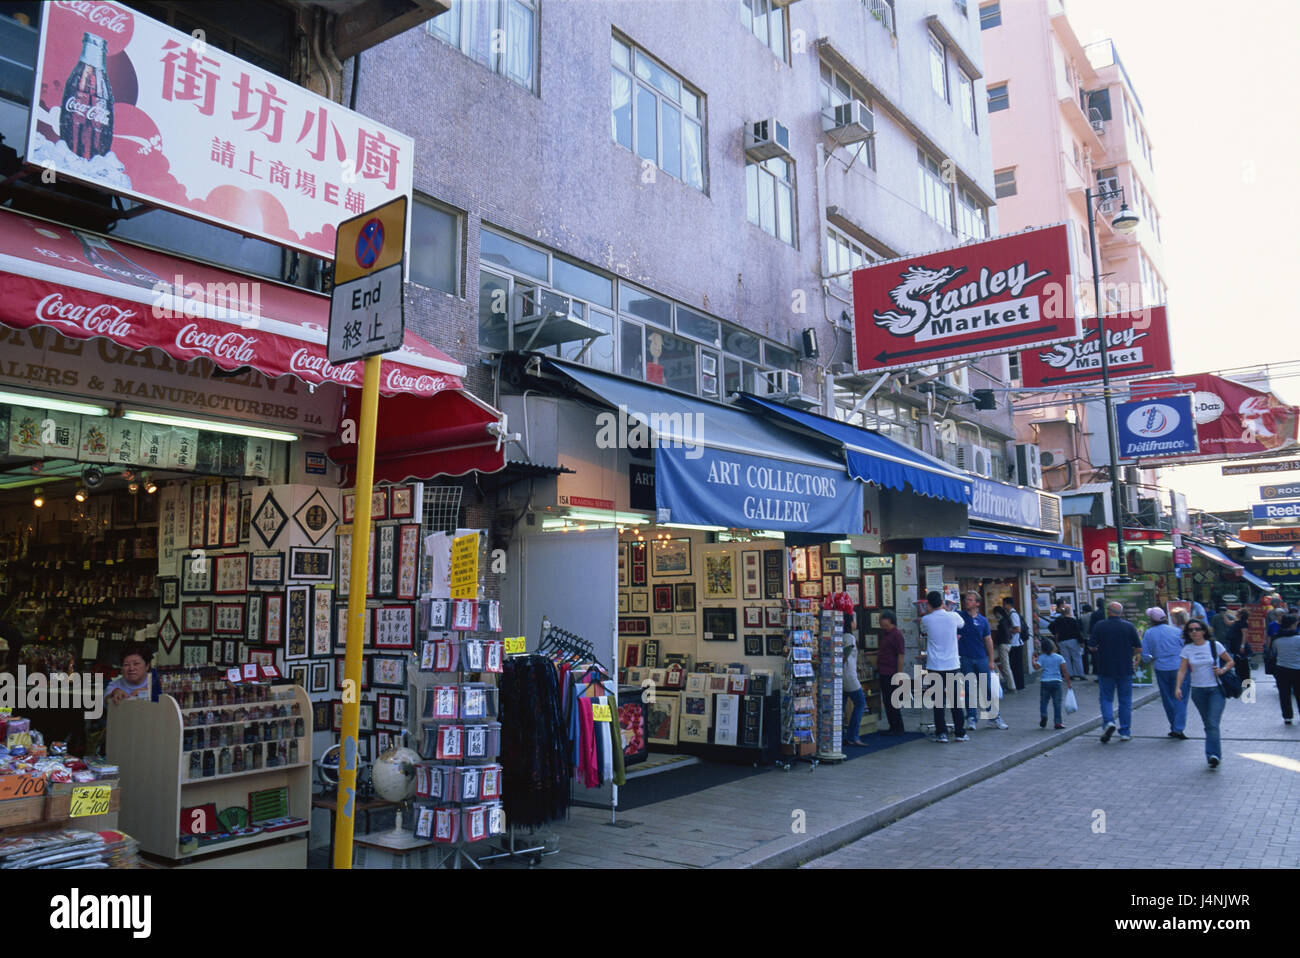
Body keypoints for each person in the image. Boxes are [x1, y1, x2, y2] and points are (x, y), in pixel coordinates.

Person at [1174, 618, 1236, 769]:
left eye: (1197, 629)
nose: (1194, 632)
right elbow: (1182, 670)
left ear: (1203, 631)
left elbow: (1230, 661)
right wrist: (1178, 687)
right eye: (1191, 630)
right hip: (1198, 691)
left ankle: (1213, 755)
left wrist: (1223, 670)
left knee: (1212, 723)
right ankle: (1213, 754)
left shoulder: (1214, 645)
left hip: (1216, 689)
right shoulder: (1187, 649)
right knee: (1207, 723)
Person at [1089, 601, 1142, 744]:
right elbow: (1138, 648)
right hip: (1125, 668)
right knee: (1125, 700)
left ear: (1109, 611)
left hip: (1105, 667)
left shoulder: (1100, 626)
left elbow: (1092, 646)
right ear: (1121, 613)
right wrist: (1128, 654)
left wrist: (1099, 650)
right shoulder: (1129, 626)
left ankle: (1108, 722)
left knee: (1106, 698)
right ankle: (1125, 731)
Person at [919, 590, 966, 743]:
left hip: (935, 665)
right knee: (955, 701)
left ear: (928, 604)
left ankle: (942, 733)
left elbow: (924, 632)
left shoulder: (926, 620)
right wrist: (946, 609)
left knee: (938, 701)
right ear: (942, 602)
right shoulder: (953, 616)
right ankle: (960, 733)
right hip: (952, 664)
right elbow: (962, 624)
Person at [958, 591, 1006, 731]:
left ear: (977, 603)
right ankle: (971, 718)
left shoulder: (983, 620)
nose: (967, 602)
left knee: (986, 688)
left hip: (980, 657)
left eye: (971, 600)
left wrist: (991, 660)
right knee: (968, 689)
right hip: (965, 657)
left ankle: (993, 717)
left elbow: (988, 640)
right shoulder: (960, 617)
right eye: (966, 599)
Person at [1139, 607, 1190, 739]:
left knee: (1167, 698)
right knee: (1180, 697)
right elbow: (1186, 648)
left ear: (1151, 620)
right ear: (1165, 618)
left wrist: (1152, 658)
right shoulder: (1177, 631)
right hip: (1179, 667)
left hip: (1161, 668)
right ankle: (1179, 727)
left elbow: (1144, 655)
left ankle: (1174, 726)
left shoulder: (1149, 633)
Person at [876, 611, 906, 735]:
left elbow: (900, 655)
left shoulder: (896, 635)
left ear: (891, 621)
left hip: (891, 672)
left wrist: (899, 674)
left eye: (885, 623)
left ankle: (897, 727)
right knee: (887, 701)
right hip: (883, 670)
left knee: (892, 700)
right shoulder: (885, 634)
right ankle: (893, 725)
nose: (883, 626)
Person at [1269, 614, 1300, 726]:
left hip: (1281, 670)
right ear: (1292, 625)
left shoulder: (1276, 640)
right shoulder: (1298, 639)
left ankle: (1287, 717)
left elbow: (1274, 653)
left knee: (1284, 694)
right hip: (1298, 670)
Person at [1037, 637, 1072, 729]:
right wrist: (1069, 683)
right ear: (1053, 647)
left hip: (1045, 682)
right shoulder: (1059, 657)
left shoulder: (1042, 657)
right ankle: (1058, 723)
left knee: (1044, 701)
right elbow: (1064, 671)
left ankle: (1044, 715)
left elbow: (1037, 667)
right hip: (1056, 682)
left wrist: (1033, 660)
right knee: (1057, 703)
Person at [1050, 604, 1085, 683]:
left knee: (1066, 658)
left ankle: (1069, 674)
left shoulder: (1058, 620)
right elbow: (1077, 632)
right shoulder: (1072, 620)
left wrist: (1055, 633)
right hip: (1072, 640)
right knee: (1076, 657)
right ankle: (1080, 674)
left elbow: (1050, 627)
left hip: (1062, 641)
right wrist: (1081, 641)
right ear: (1069, 612)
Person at [843, 637, 867, 746]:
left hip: (841, 676)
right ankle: (853, 736)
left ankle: (839, 736)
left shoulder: (840, 635)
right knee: (860, 703)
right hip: (849, 676)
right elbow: (845, 657)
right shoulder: (850, 638)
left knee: (840, 707)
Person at [1002, 597, 1025, 693]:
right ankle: (1018, 684)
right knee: (1015, 665)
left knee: (1016, 666)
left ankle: (1019, 685)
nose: (1003, 606)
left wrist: (1008, 630)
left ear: (1008, 604)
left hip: (1016, 644)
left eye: (1004, 604)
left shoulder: (1013, 614)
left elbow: (1017, 629)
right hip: (1014, 643)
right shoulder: (1011, 614)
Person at [991, 606, 1015, 695]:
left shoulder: (1002, 622)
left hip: (1003, 645)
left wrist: (996, 642)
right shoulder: (1006, 621)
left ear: (998, 613)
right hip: (1006, 644)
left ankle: (1011, 686)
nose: (995, 615)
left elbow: (1004, 634)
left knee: (1005, 666)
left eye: (995, 614)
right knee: (990, 660)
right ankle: (1002, 679)